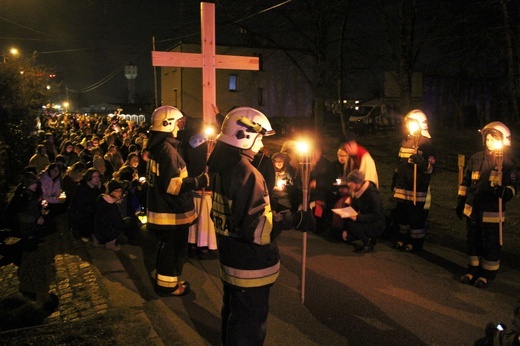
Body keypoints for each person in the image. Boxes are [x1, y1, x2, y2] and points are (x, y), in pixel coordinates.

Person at [207, 107, 313, 345]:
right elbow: (257, 229)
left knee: (233, 316)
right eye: (260, 136)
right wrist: (292, 219)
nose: (261, 143)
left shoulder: (221, 169)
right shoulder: (249, 174)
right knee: (249, 326)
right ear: (245, 135)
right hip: (250, 265)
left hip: (231, 258)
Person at [145, 106, 209, 297]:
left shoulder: (158, 146)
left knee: (168, 247)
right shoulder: (167, 151)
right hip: (170, 212)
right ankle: (167, 286)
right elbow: (173, 186)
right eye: (178, 123)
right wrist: (199, 181)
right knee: (172, 249)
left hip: (162, 209)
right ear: (168, 124)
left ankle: (169, 279)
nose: (180, 127)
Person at [456, 121, 517, 289]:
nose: (489, 142)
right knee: (473, 241)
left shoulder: (507, 163)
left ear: (503, 140)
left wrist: (505, 192)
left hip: (492, 213)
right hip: (473, 210)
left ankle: (487, 274)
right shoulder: (476, 158)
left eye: (494, 139)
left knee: (490, 243)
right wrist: (461, 201)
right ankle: (472, 270)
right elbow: (465, 182)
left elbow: (513, 188)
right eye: (487, 138)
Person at [391, 109, 435, 253]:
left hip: (417, 190)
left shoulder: (426, 144)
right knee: (402, 216)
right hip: (402, 188)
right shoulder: (403, 142)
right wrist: (394, 183)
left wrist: (421, 162)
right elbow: (398, 166)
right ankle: (402, 239)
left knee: (415, 218)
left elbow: (430, 169)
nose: (410, 127)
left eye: (412, 124)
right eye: (408, 124)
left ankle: (415, 243)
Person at [340, 170, 385, 253]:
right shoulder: (358, 193)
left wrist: (357, 218)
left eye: (350, 182)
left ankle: (367, 243)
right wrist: (345, 228)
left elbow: (376, 215)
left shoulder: (372, 194)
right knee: (349, 227)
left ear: (356, 183)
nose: (348, 184)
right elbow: (353, 209)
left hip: (377, 224)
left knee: (353, 225)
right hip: (367, 220)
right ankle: (365, 238)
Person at [68, 168, 102, 242]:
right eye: (94, 177)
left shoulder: (95, 188)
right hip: (82, 216)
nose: (97, 179)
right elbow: (81, 206)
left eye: (98, 177)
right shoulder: (81, 188)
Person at [93, 180, 129, 251]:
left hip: (96, 228)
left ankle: (95, 239)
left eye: (120, 191)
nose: (119, 193)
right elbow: (117, 221)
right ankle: (110, 244)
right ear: (111, 192)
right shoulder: (112, 205)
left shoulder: (101, 198)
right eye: (116, 191)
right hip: (106, 231)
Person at [308, 145, 336, 234]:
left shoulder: (326, 165)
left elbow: (330, 183)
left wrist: (317, 183)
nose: (314, 154)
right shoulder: (306, 163)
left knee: (318, 207)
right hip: (309, 192)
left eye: (316, 152)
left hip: (321, 193)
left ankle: (319, 226)